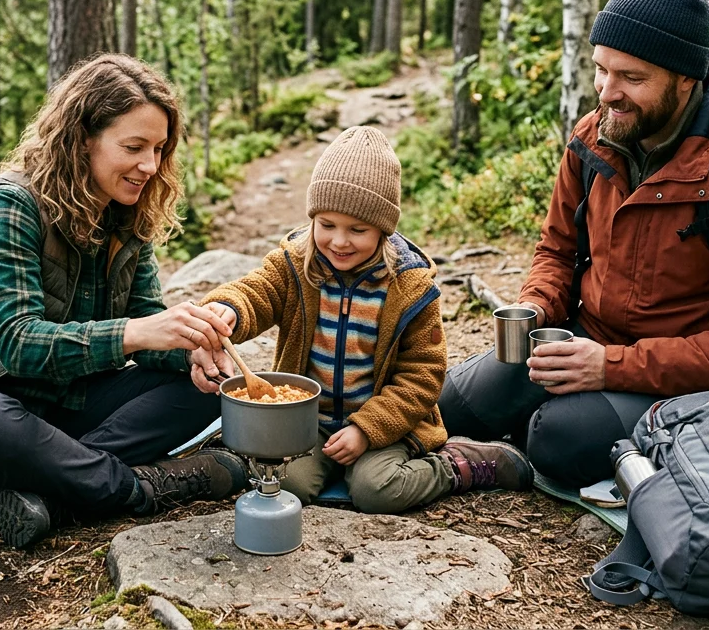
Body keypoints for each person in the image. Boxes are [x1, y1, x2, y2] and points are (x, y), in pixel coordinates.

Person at [438, 0, 709, 488]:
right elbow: (557, 250)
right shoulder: (595, 138)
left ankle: (530, 445)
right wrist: (538, 306)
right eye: (601, 69)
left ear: (686, 78)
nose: (607, 92)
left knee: (557, 439)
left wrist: (610, 366)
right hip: (590, 340)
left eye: (632, 78)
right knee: (448, 406)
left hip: (696, 382)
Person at [0, 54, 249, 549]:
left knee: (210, 388)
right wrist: (137, 332)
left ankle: (50, 489)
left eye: (159, 149)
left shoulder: (127, 214)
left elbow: (148, 324)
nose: (150, 165)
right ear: (82, 139)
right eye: (134, 147)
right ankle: (142, 487)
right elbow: (19, 344)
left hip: (68, 408)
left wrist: (192, 354)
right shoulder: (9, 205)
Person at [193, 127, 533, 513]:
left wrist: (366, 430)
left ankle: (456, 465)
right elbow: (258, 291)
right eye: (327, 225)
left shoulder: (410, 288)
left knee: (376, 491)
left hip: (385, 425)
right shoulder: (296, 265)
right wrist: (229, 308)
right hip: (309, 421)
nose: (339, 241)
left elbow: (422, 378)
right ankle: (324, 464)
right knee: (287, 483)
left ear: (383, 230)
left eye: (357, 230)